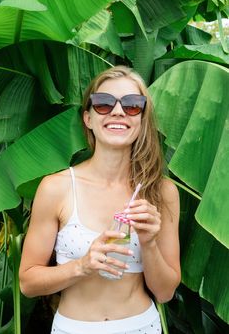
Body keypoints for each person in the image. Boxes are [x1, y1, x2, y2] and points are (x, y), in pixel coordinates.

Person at [19, 65, 181, 334]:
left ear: (141, 119)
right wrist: (81, 266)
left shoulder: (161, 192)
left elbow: (164, 293)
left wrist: (149, 242)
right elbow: (27, 283)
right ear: (88, 118)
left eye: (132, 105)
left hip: (141, 326)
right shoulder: (56, 188)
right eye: (104, 104)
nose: (118, 111)